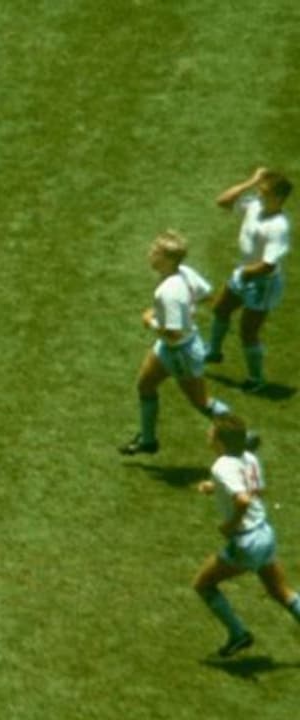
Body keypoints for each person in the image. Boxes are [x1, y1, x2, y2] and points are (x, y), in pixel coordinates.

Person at [192, 413, 300, 657]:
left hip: (247, 540)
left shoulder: (221, 465)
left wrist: (230, 525)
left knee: (203, 584)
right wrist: (215, 487)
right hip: (265, 533)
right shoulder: (249, 458)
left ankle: (238, 633)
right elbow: (256, 489)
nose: (208, 434)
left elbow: (242, 500)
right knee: (282, 592)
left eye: (211, 431)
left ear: (220, 440)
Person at [119, 230, 230, 455]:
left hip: (181, 352)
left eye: (156, 251)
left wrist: (150, 321)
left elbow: (174, 334)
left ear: (168, 259)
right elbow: (207, 295)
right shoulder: (185, 272)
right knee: (145, 385)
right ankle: (148, 441)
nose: (150, 253)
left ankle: (239, 432)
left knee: (201, 402)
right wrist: (188, 309)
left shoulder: (168, 292)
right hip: (170, 347)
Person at [205, 167, 292, 392]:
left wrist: (245, 274)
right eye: (260, 190)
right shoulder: (256, 205)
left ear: (279, 198)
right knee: (221, 309)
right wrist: (251, 181)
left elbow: (268, 264)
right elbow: (223, 201)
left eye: (265, 192)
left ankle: (256, 379)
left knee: (248, 332)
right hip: (245, 272)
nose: (259, 194)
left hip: (262, 283)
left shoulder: (279, 226)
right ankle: (213, 352)